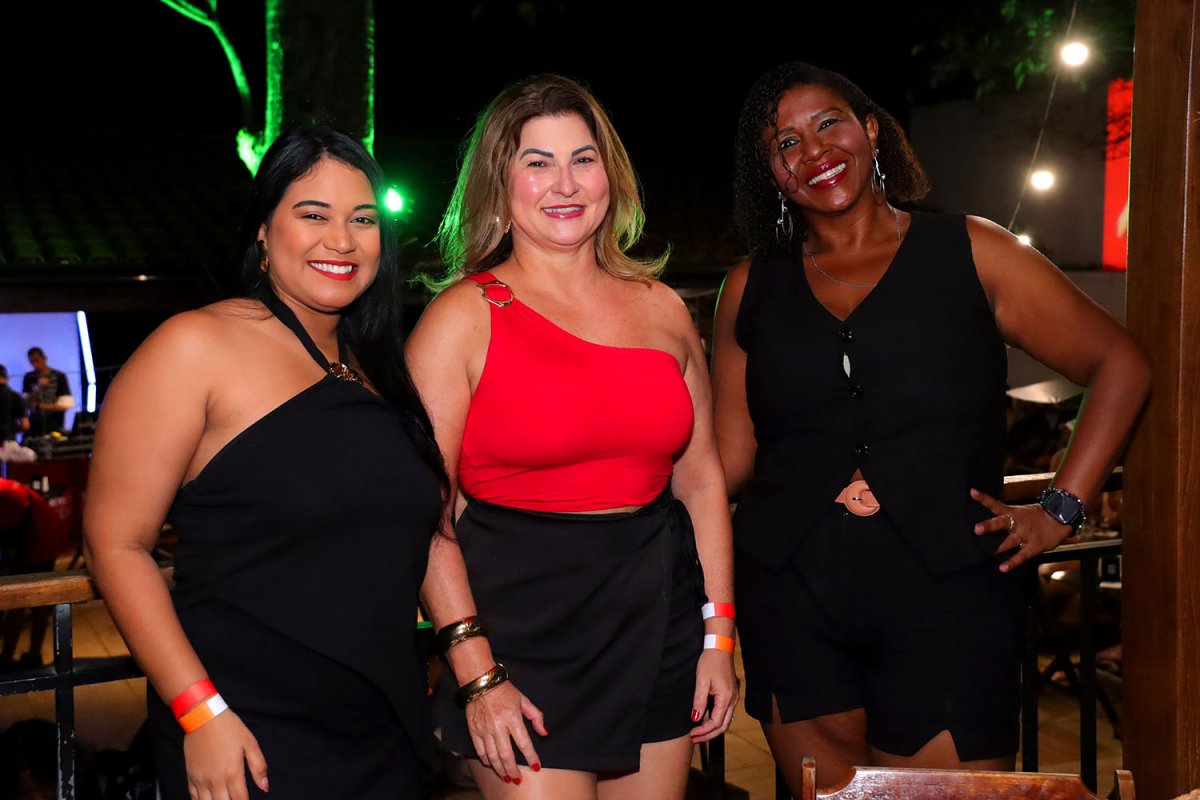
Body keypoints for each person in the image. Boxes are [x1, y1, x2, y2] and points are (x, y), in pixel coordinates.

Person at [711, 61, 1150, 792]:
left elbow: (1120, 364)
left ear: (870, 129)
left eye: (828, 123)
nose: (813, 150)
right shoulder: (748, 286)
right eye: (785, 143)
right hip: (791, 600)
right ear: (771, 175)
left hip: (949, 601)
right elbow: (730, 460)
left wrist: (1059, 510)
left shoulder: (972, 250)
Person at [84, 127, 446, 799]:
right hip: (246, 733)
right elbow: (115, 544)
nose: (341, 240)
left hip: (384, 728)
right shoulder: (194, 346)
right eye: (313, 214)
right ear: (262, 231)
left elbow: (419, 535)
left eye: (363, 220)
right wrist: (200, 711)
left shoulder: (379, 370)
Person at [407, 74, 737, 800]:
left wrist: (719, 637)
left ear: (609, 179)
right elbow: (424, 514)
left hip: (656, 626)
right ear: (500, 188)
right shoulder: (460, 319)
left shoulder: (663, 309)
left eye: (583, 160)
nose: (564, 183)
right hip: (520, 640)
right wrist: (475, 672)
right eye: (538, 162)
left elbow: (702, 478)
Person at [0, 477, 68, 671]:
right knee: (33, 603)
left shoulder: (5, 494)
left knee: (18, 601)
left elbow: (10, 528)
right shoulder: (5, 489)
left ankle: (9, 659)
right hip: (42, 537)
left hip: (37, 541)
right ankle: (31, 656)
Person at [22, 348, 73, 437]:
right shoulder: (29, 377)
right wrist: (37, 389)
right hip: (34, 426)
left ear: (44, 358)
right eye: (32, 362)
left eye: (37, 361)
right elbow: (25, 403)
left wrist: (40, 406)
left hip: (55, 425)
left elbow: (65, 406)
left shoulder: (59, 376)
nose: (35, 365)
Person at [0, 366, 30, 443]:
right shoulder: (14, 396)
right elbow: (25, 425)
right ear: (7, 378)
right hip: (7, 443)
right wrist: (11, 430)